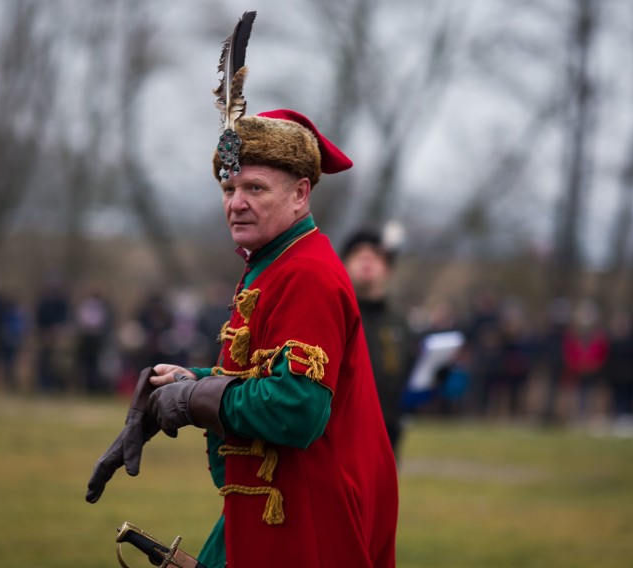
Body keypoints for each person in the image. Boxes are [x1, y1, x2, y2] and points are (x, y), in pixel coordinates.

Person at [86, 16, 398, 567]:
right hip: (274, 503)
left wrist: (195, 401)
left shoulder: (306, 272)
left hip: (308, 518)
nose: (236, 202)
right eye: (230, 188)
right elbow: (265, 379)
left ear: (302, 194)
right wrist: (185, 384)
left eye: (256, 188)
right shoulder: (272, 262)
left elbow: (298, 409)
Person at [341, 228, 415, 459]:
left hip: (389, 431)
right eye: (357, 252)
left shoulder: (400, 323)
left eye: (375, 253)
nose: (366, 258)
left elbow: (410, 378)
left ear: (388, 268)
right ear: (342, 264)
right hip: (342, 433)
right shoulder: (335, 314)